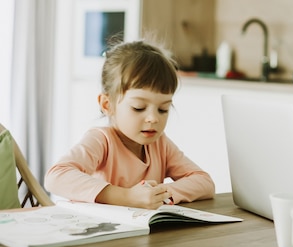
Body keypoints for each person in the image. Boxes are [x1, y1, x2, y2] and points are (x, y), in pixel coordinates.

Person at [45, 39, 215, 209]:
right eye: (138, 107)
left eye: (163, 109)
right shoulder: (102, 140)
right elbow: (56, 177)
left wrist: (160, 194)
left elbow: (204, 182)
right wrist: (126, 196)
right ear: (107, 105)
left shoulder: (160, 144)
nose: (153, 118)